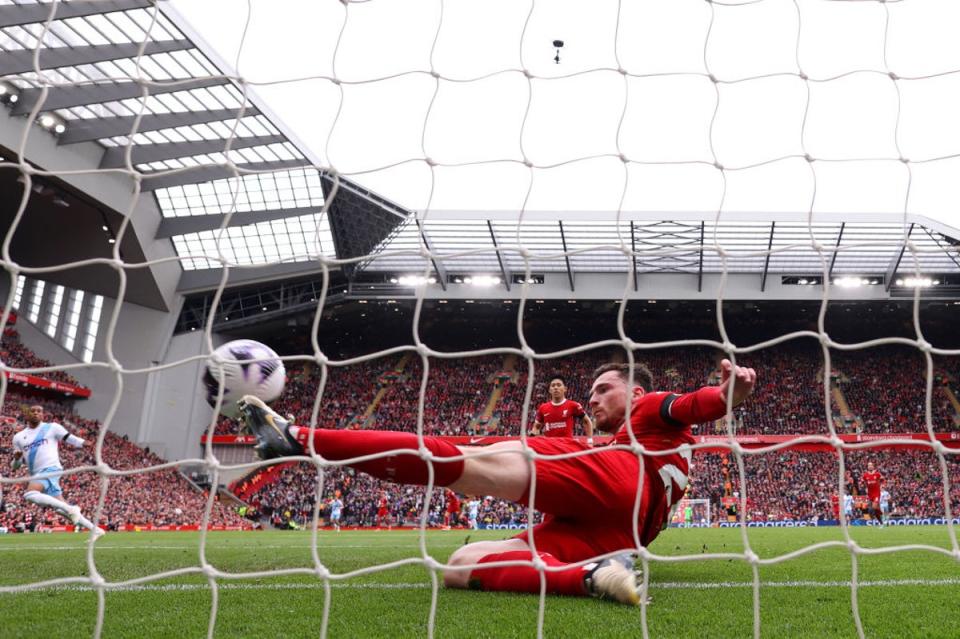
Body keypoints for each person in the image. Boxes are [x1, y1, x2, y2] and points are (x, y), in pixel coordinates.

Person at [238, 358, 756, 605]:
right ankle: (593, 578)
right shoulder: (640, 434)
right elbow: (696, 410)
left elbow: (695, 403)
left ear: (635, 389)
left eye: (603, 389)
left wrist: (728, 395)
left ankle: (301, 438)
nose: (593, 398)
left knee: (479, 458)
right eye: (589, 392)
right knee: (461, 566)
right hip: (623, 535)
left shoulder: (645, 410)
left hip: (618, 481)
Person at [10, 405, 104, 539]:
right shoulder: (18, 438)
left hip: (51, 468)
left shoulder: (52, 427)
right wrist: (17, 459)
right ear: (27, 414)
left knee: (30, 494)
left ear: (42, 415)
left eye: (39, 411)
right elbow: (15, 466)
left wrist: (85, 443)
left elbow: (71, 438)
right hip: (37, 473)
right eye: (33, 411)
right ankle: (95, 529)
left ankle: (73, 509)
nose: (36, 413)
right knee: (61, 509)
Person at [531, 376, 594, 445]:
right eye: (553, 385)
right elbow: (536, 426)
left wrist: (590, 440)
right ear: (549, 390)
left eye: (559, 385)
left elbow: (586, 421)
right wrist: (534, 433)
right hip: (550, 446)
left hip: (567, 446)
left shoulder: (573, 405)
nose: (555, 387)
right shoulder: (543, 407)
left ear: (565, 389)